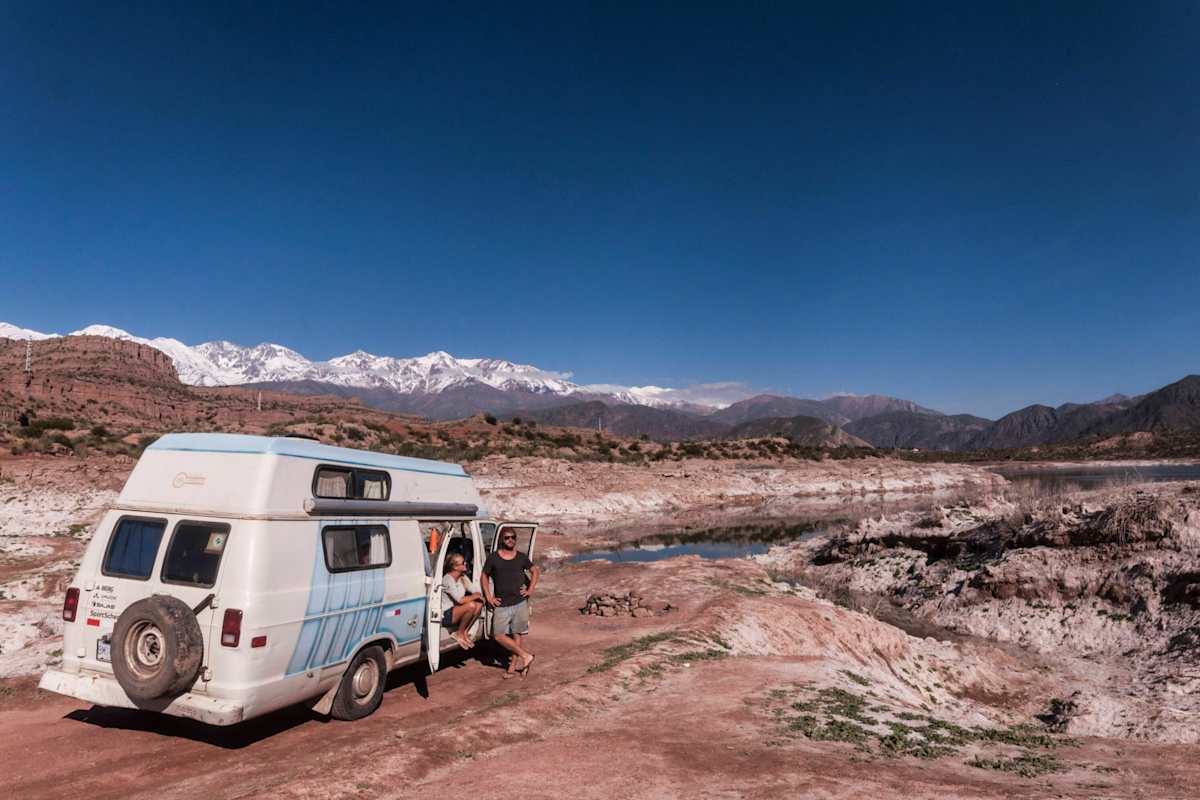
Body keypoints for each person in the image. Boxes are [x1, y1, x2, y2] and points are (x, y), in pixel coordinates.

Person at [482, 529, 539, 679]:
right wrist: (489, 596)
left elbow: (535, 571)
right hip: (502, 603)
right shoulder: (493, 558)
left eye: (513, 537)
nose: (510, 540)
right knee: (499, 635)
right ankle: (526, 656)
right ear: (502, 540)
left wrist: (530, 589)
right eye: (507, 538)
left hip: (520, 602)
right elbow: (484, 575)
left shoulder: (521, 557)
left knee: (517, 634)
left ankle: (512, 668)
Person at [441, 554, 483, 650]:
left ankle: (464, 631)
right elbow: (460, 600)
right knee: (471, 605)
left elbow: (475, 591)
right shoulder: (447, 579)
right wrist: (474, 596)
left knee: (479, 604)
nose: (465, 564)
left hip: (457, 610)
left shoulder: (463, 577)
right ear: (455, 567)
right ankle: (459, 633)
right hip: (446, 614)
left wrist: (476, 595)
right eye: (463, 563)